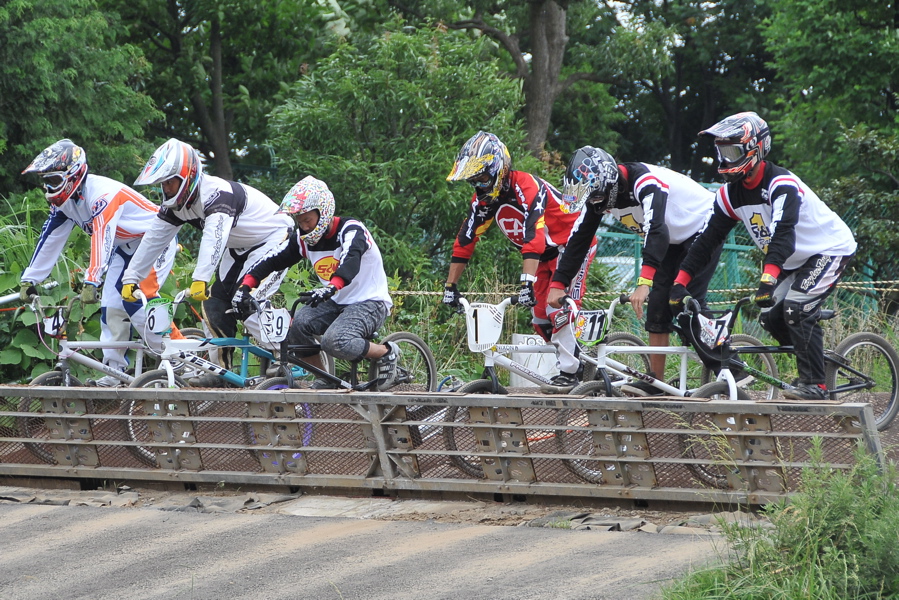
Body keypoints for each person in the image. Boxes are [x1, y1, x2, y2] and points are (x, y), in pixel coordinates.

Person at [670, 112, 857, 401]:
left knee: (796, 307)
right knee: (770, 317)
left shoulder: (781, 184)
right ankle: (814, 361)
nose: (724, 160)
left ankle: (815, 384)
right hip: (795, 260)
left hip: (828, 249)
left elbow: (783, 234)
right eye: (721, 152)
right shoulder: (729, 195)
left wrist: (768, 280)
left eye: (731, 152)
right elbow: (707, 240)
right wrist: (680, 281)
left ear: (755, 149)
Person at [547, 146, 722, 396]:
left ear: (610, 183)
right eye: (591, 199)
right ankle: (656, 382)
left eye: (597, 197)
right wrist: (558, 282)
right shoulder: (598, 195)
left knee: (683, 299)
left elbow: (657, 230)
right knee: (658, 308)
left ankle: (728, 367)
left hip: (704, 224)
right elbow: (578, 239)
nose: (596, 204)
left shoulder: (645, 183)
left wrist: (644, 282)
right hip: (674, 237)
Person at [121, 138, 293, 382]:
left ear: (188, 177)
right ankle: (225, 376)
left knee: (247, 301)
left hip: (275, 239)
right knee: (214, 305)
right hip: (239, 247)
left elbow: (214, 237)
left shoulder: (216, 193)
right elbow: (153, 241)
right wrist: (132, 278)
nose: (166, 189)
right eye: (163, 184)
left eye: (170, 182)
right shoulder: (176, 205)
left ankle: (287, 352)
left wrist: (200, 278)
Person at [442, 131, 597, 393]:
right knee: (539, 319)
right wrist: (450, 287)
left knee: (556, 308)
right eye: (473, 180)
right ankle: (580, 358)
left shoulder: (526, 186)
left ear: (498, 169)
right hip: (545, 255)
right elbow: (466, 240)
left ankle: (570, 372)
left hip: (572, 246)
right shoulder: (484, 200)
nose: (478, 185)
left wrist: (527, 282)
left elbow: (533, 235)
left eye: (481, 177)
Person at [19, 139, 179, 386]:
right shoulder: (65, 203)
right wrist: (30, 279)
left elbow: (102, 237)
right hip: (125, 247)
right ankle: (115, 373)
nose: (49, 188)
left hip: (155, 239)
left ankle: (177, 355)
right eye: (46, 182)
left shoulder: (101, 195)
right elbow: (50, 239)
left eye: (53, 181)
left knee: (138, 299)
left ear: (72, 176)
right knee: (111, 307)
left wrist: (92, 280)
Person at [231, 176, 399, 390]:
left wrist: (331, 286)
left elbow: (351, 260)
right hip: (336, 301)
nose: (304, 226)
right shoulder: (303, 239)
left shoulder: (351, 230)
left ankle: (387, 352)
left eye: (307, 220)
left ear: (324, 212)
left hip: (369, 302)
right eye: (299, 221)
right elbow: (270, 260)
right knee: (296, 328)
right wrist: (245, 288)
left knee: (334, 341)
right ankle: (325, 378)